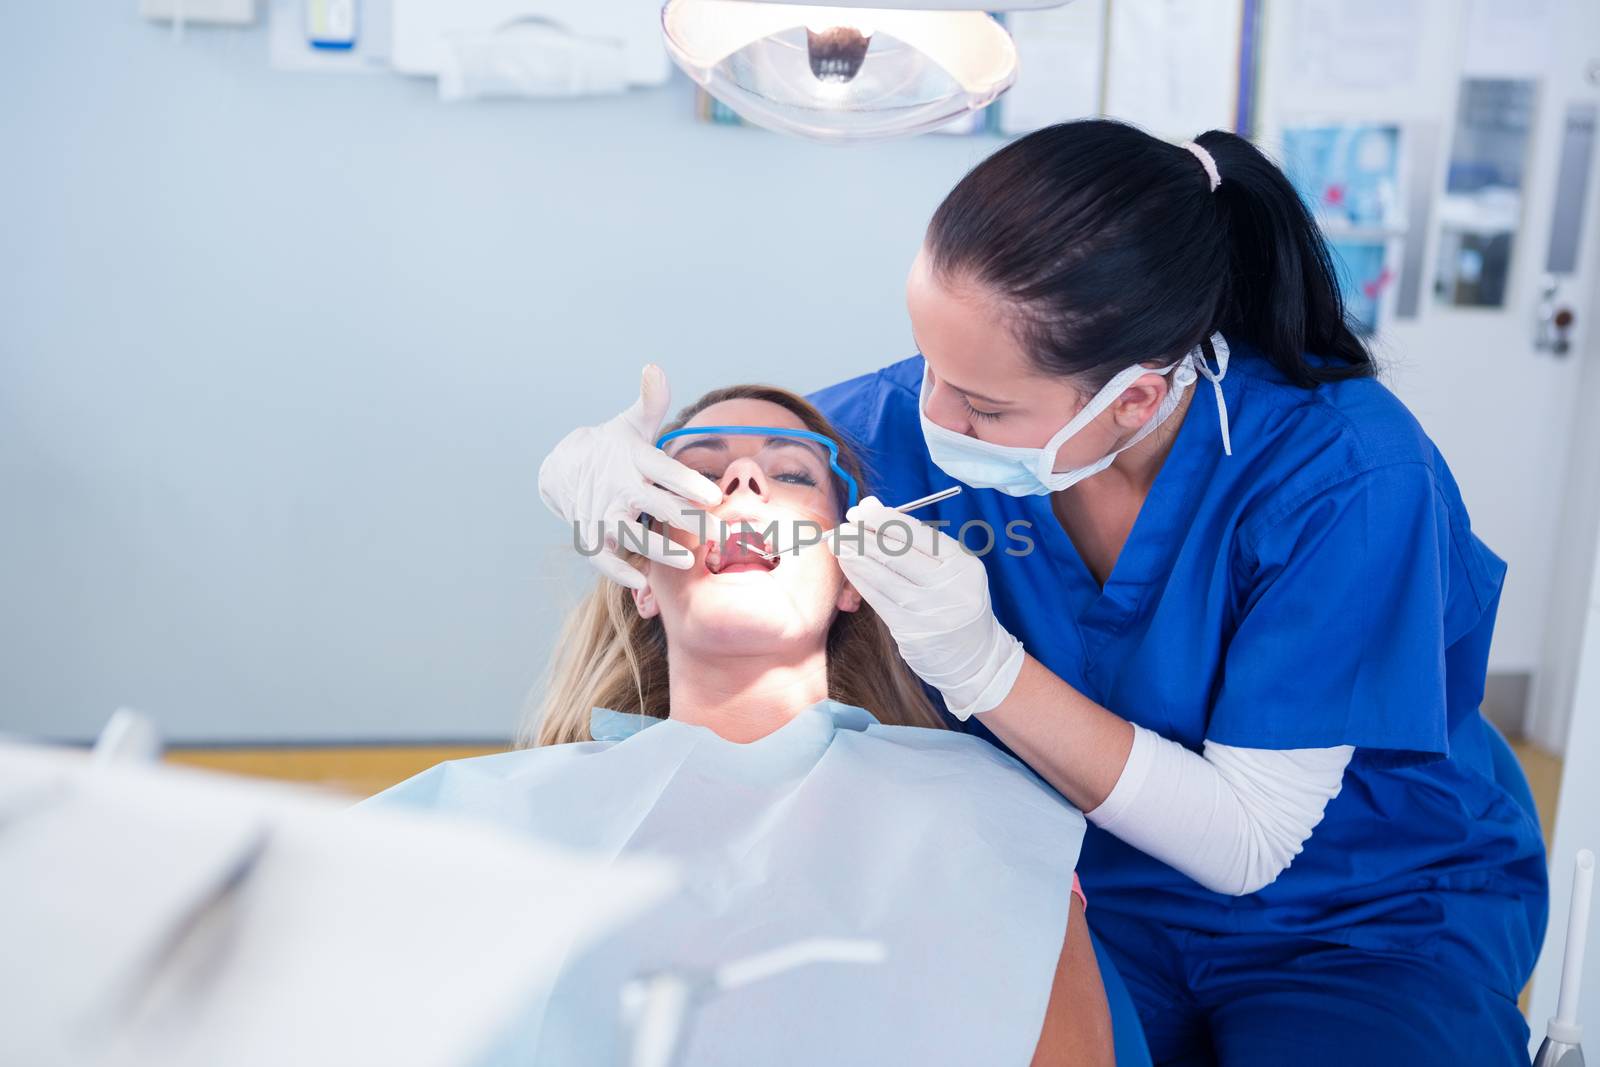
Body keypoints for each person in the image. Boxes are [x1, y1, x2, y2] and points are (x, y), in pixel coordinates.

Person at [536, 121, 1549, 1064]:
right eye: (925, 359)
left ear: (1137, 395)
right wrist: (603, 485)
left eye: (979, 402)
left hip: (1358, 912)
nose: (922, 412)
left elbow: (1248, 840)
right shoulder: (895, 423)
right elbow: (760, 459)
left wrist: (985, 670)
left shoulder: (1345, 473)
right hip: (1064, 887)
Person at [371, 386, 1115, 1067]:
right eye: (695, 472)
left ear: (852, 577)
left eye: (791, 473)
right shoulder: (484, 824)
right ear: (642, 583)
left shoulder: (990, 818)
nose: (742, 483)